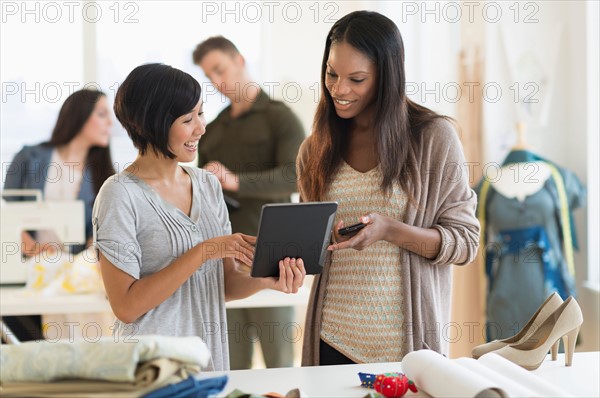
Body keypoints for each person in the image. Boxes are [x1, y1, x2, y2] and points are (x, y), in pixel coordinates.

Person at [93, 63, 306, 371]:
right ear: (154, 124)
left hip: (209, 366)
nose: (201, 128)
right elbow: (126, 307)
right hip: (153, 372)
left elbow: (223, 285)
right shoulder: (119, 194)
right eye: (187, 119)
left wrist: (265, 279)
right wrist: (205, 250)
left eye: (201, 114)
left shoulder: (206, 185)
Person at [297, 11, 480, 365]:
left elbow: (466, 244)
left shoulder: (432, 139)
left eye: (357, 79)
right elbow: (315, 252)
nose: (339, 89)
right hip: (331, 340)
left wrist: (390, 230)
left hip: (408, 349)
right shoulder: (314, 150)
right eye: (332, 74)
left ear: (387, 77)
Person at [192, 36, 305, 369]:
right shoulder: (212, 129)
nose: (216, 81)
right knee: (231, 366)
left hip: (272, 254)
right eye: (208, 75)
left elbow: (295, 176)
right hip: (224, 260)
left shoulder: (280, 118)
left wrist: (236, 181)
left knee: (280, 364)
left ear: (239, 60)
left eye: (220, 69)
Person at [3, 88, 115, 342]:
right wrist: (22, 239)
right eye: (102, 114)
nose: (110, 123)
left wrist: (92, 247)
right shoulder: (29, 158)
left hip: (70, 265)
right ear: (79, 116)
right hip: (27, 263)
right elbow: (7, 210)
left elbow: (97, 232)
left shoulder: (102, 175)